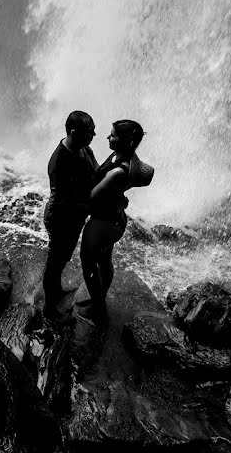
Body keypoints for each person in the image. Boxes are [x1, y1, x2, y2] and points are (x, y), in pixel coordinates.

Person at [77, 119, 152, 321]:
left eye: (113, 135)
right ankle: (98, 298)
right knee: (104, 260)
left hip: (103, 224)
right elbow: (101, 173)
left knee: (88, 263)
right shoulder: (123, 155)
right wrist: (90, 154)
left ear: (126, 141)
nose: (108, 137)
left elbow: (91, 197)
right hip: (115, 219)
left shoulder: (119, 171)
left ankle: (99, 308)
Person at [42, 111, 99, 322]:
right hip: (60, 217)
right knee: (55, 261)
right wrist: (90, 205)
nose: (94, 135)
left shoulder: (84, 149)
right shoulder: (59, 161)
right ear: (74, 132)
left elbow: (97, 172)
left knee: (62, 257)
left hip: (74, 215)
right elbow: (63, 200)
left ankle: (56, 292)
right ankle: (49, 310)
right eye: (89, 132)